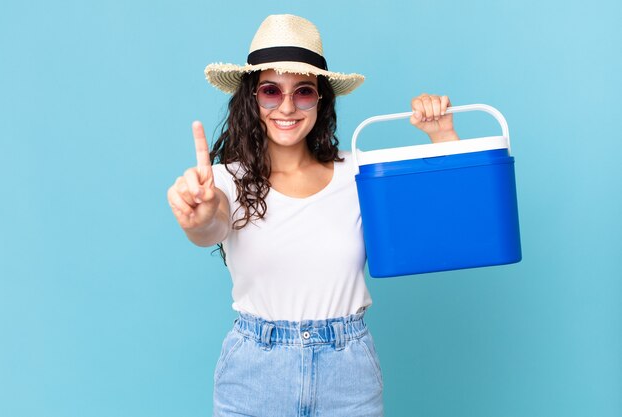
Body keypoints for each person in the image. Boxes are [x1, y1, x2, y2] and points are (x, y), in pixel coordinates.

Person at [167, 14, 459, 417]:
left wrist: (443, 137)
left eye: (303, 92)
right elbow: (211, 225)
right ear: (252, 97)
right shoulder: (224, 180)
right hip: (255, 374)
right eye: (271, 91)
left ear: (321, 100)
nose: (287, 107)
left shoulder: (357, 172)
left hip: (348, 375)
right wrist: (197, 217)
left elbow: (442, 227)